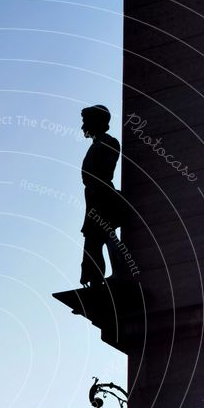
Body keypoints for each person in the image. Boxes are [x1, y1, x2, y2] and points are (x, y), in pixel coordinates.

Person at [79, 105, 121, 288]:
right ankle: (94, 278)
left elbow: (106, 171)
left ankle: (119, 271)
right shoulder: (96, 145)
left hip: (102, 196)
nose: (83, 125)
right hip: (93, 196)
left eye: (85, 120)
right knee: (93, 239)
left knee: (104, 235)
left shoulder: (109, 142)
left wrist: (96, 187)